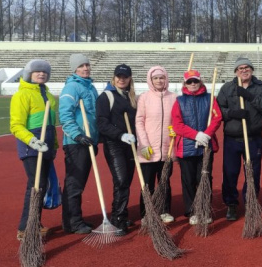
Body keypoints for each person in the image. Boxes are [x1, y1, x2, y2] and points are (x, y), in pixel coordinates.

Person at [216, 57, 262, 221]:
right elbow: (218, 110)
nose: (244, 70)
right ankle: (231, 204)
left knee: (253, 173)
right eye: (240, 68)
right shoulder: (227, 88)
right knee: (230, 173)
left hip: (253, 137)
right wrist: (232, 114)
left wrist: (248, 96)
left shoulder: (260, 87)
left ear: (252, 70)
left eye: (247, 67)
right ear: (236, 71)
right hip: (233, 138)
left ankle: (250, 202)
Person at [10, 59, 58, 241]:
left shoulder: (48, 95)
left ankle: (35, 223)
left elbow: (51, 125)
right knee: (35, 185)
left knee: (42, 185)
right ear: (29, 74)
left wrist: (53, 146)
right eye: (37, 71)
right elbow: (16, 125)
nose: (41, 74)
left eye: (45, 72)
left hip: (46, 146)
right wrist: (32, 141)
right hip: (31, 146)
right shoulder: (22, 95)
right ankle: (24, 228)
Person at [171, 69, 223, 225]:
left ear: (200, 82)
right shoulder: (179, 101)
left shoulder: (210, 98)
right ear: (185, 83)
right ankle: (192, 211)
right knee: (188, 180)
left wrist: (206, 134)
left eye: (195, 81)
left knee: (204, 178)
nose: (192, 84)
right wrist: (195, 135)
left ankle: (204, 209)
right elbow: (177, 125)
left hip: (205, 146)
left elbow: (217, 118)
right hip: (186, 147)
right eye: (189, 81)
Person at [59, 53, 99, 234]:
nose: (85, 68)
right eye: (81, 66)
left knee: (80, 183)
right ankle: (72, 222)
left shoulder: (90, 87)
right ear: (74, 69)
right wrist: (77, 136)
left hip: (90, 141)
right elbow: (65, 115)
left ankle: (75, 219)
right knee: (74, 184)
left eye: (87, 65)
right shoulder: (72, 87)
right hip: (76, 143)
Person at [95, 64, 137, 236]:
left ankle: (122, 214)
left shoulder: (133, 98)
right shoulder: (106, 97)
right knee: (120, 180)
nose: (121, 79)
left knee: (126, 181)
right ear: (114, 78)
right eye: (118, 76)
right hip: (114, 145)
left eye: (125, 77)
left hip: (131, 145)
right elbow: (101, 123)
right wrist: (120, 135)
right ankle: (118, 218)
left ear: (129, 79)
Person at [135, 65, 177, 223]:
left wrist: (174, 130)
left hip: (167, 147)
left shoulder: (173, 97)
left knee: (164, 181)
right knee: (147, 183)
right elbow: (139, 121)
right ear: (150, 80)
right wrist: (144, 144)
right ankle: (146, 213)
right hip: (148, 149)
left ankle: (164, 210)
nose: (159, 80)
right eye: (156, 78)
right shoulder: (144, 98)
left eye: (162, 77)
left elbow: (176, 119)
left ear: (166, 79)